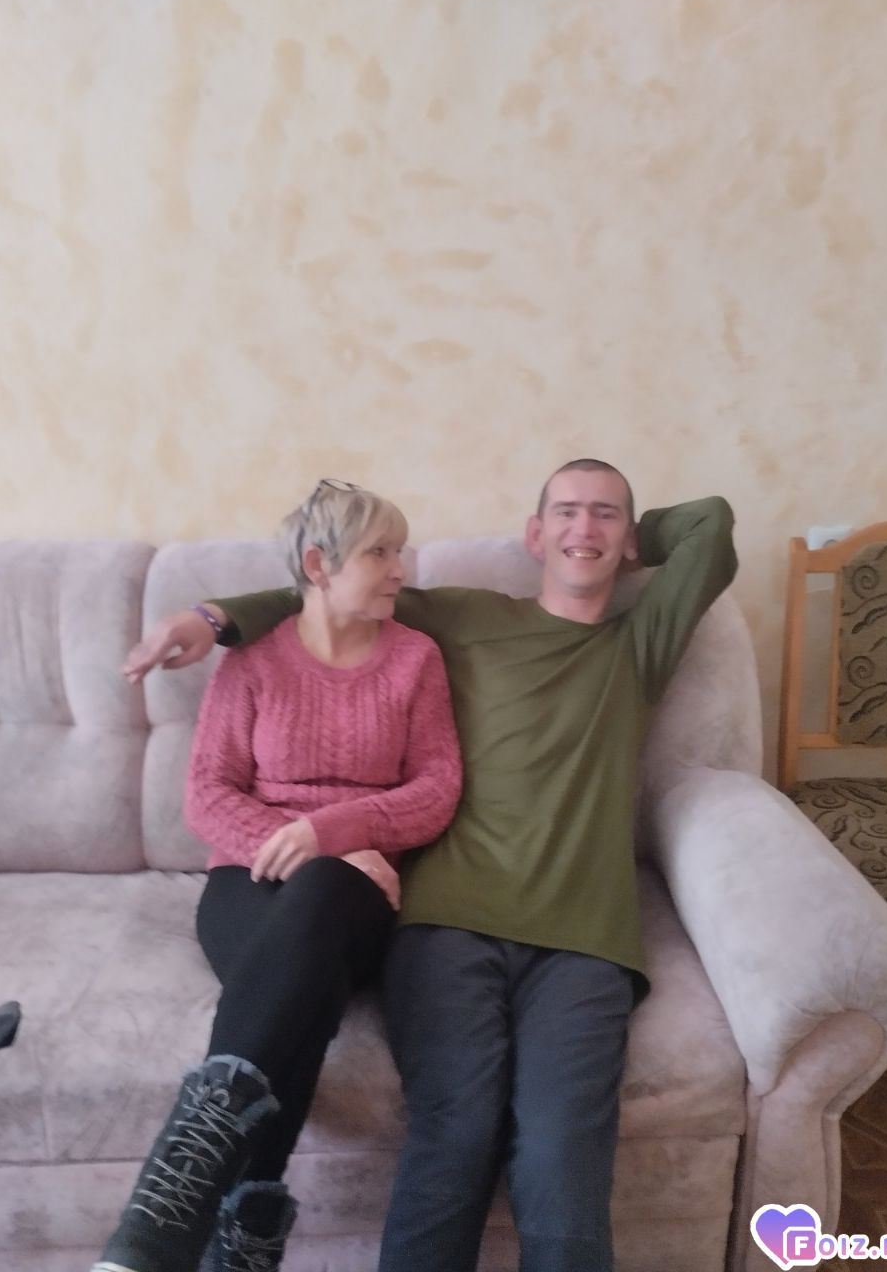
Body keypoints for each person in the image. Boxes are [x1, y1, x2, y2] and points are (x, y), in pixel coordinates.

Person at [123, 458, 737, 1272]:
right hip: (444, 922)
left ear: (629, 541)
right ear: (532, 534)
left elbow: (711, 527)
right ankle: (233, 1207)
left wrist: (619, 535)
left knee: (562, 1146)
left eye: (604, 515)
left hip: (583, 939)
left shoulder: (639, 645)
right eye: (564, 512)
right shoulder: (464, 617)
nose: (583, 528)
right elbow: (326, 595)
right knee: (456, 1130)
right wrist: (216, 617)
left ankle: (223, 1204)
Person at [92, 480, 462, 1272]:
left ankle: (167, 1213)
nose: (402, 568)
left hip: (356, 890)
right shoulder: (254, 661)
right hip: (247, 882)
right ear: (320, 565)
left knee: (322, 897)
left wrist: (330, 835)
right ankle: (246, 1235)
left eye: (399, 550)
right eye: (381, 552)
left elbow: (436, 790)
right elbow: (207, 794)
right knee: (303, 991)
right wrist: (291, 841)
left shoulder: (415, 659)